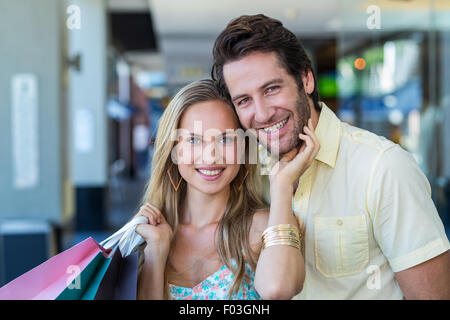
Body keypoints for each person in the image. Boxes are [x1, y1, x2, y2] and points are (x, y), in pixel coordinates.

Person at [211, 14, 450, 299]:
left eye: (271, 89)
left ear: (306, 79)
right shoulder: (243, 174)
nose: (261, 114)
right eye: (244, 100)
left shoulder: (383, 167)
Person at [134, 79, 319, 299]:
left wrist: (281, 186)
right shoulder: (150, 232)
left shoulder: (266, 226)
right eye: (193, 140)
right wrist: (156, 252)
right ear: (173, 150)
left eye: (225, 139)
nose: (211, 155)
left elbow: (279, 290)